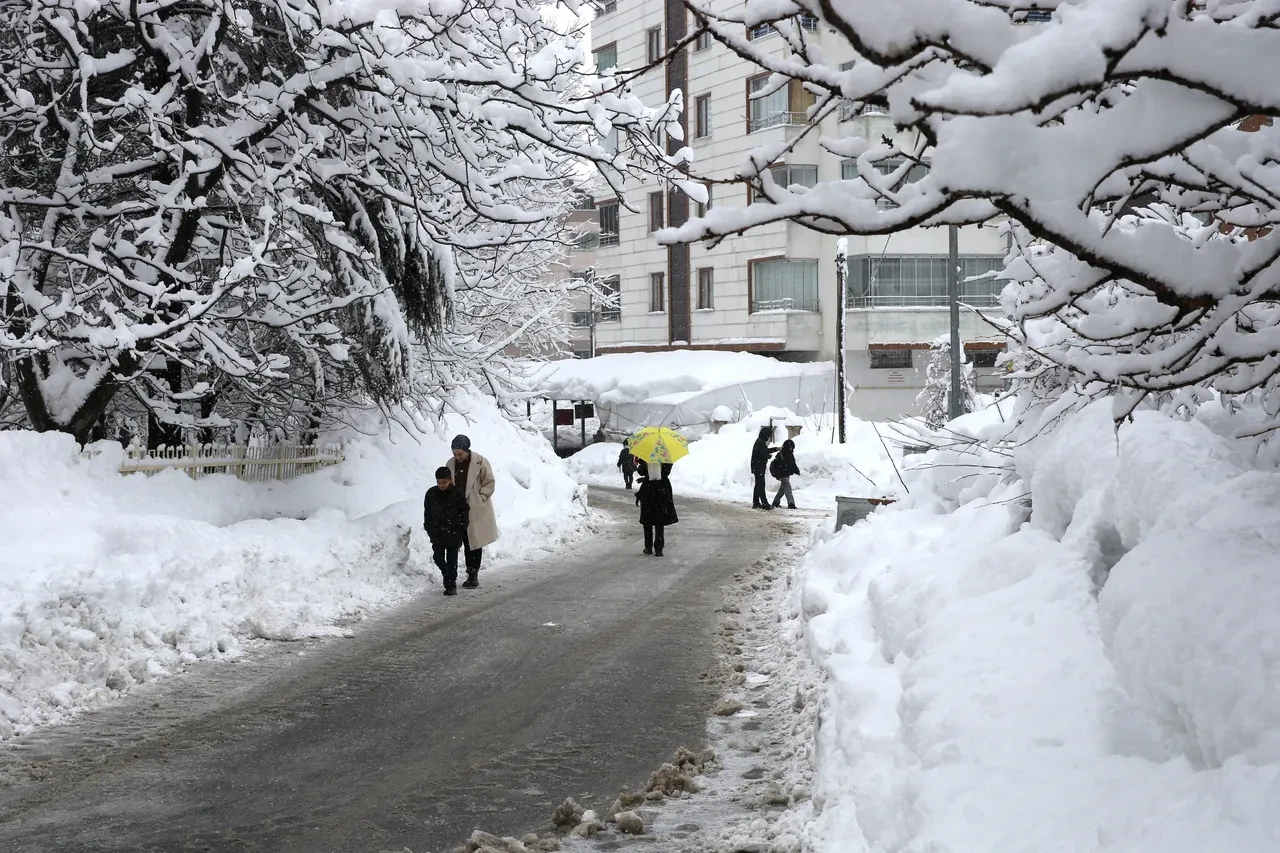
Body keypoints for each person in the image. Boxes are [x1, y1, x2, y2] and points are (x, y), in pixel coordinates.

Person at [445, 434, 499, 589]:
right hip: (457, 509)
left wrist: (481, 497)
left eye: (460, 453)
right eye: (455, 453)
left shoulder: (480, 462)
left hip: (475, 509)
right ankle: (451, 577)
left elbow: (489, 482)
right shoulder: (450, 464)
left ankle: (473, 574)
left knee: (473, 543)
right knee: (455, 542)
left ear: (467, 450)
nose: (457, 457)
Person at [423, 466, 470, 596]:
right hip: (437, 533)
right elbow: (427, 513)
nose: (441, 485)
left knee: (451, 560)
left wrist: (461, 526)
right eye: (439, 482)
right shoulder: (431, 493)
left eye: (444, 482)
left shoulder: (457, 494)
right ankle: (446, 574)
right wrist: (429, 527)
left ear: (450, 480)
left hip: (454, 533)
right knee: (437, 557)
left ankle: (451, 584)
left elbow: (465, 511)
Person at [635, 463, 678, 556]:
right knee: (659, 519)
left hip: (648, 488)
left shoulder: (646, 453)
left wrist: (643, 470)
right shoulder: (665, 454)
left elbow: (641, 472)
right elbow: (666, 472)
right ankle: (659, 548)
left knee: (647, 520)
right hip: (662, 488)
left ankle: (648, 547)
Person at [750, 425, 779, 510]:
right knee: (761, 484)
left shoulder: (760, 441)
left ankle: (756, 502)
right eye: (768, 435)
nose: (769, 437)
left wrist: (776, 449)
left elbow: (765, 450)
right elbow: (762, 453)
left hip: (757, 466)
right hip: (758, 467)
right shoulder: (760, 442)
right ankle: (764, 503)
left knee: (758, 484)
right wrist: (768, 456)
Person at [770, 439, 801, 510]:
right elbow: (778, 466)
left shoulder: (790, 454)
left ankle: (775, 502)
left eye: (792, 448)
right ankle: (791, 503)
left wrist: (796, 470)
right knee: (788, 488)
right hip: (781, 475)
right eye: (790, 447)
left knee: (782, 489)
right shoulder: (780, 455)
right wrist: (779, 475)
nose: (791, 449)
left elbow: (793, 464)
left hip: (786, 474)